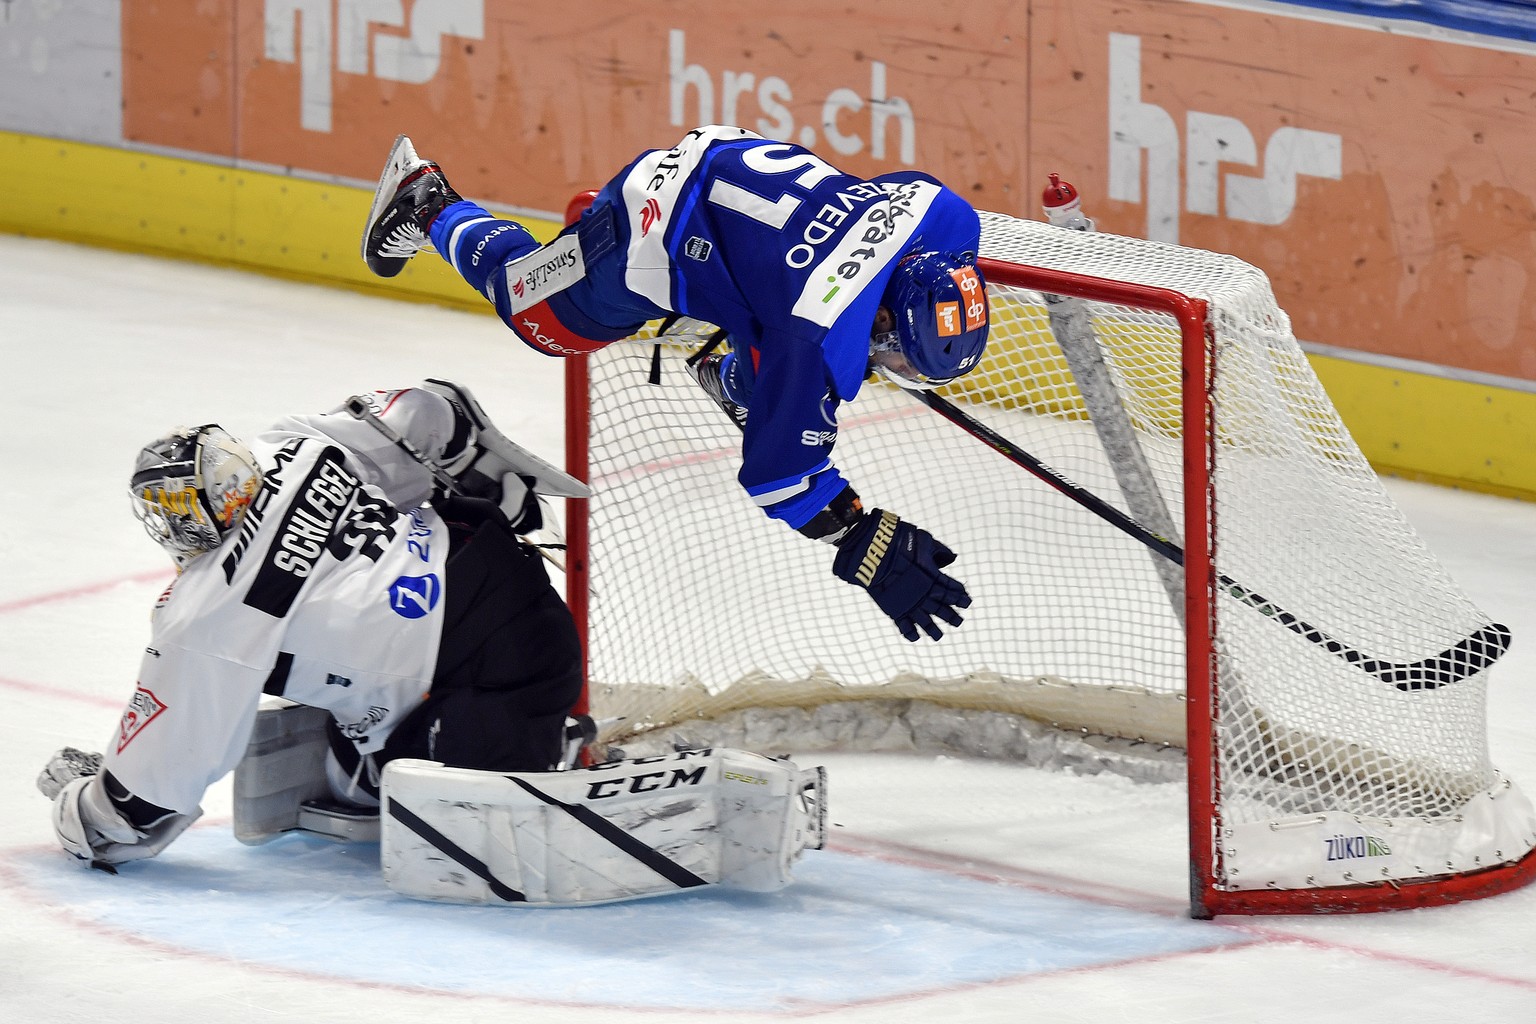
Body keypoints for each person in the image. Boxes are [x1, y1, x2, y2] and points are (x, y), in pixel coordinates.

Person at [361, 125, 989, 643]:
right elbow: (781, 481)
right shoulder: (816, 335)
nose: (899, 371)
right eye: (902, 358)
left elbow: (887, 202)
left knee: (769, 321)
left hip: (738, 162)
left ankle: (746, 378)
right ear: (881, 317)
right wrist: (862, 537)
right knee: (541, 318)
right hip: (651, 223)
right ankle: (429, 203)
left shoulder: (945, 220)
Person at [37, 381, 585, 870]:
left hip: (500, 674)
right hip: (504, 569)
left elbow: (130, 819)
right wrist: (474, 465)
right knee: (352, 770)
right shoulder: (296, 447)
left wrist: (85, 803)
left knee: (434, 811)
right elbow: (422, 407)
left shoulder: (207, 613)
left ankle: (547, 749)